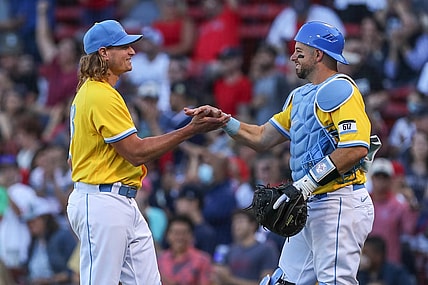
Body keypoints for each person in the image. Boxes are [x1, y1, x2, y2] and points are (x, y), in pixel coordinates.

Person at [187, 21, 376, 285]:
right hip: (309, 202)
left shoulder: (340, 89)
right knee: (283, 282)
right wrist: (225, 121)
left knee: (335, 281)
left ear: (318, 54)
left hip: (338, 201)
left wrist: (305, 185)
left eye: (299, 51)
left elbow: (355, 147)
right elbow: (262, 137)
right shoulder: (299, 97)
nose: (292, 56)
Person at [66, 19, 229, 285]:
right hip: (101, 201)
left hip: (118, 199)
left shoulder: (96, 92)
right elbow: (136, 152)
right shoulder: (99, 94)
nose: (131, 51)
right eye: (123, 46)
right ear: (104, 53)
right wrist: (190, 130)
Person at [212, 209, 279, 285]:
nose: (236, 225)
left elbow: (267, 282)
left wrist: (231, 280)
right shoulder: (231, 250)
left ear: (252, 225)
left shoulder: (266, 249)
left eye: (240, 221)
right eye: (234, 222)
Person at [157, 214, 214, 285]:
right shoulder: (159, 260)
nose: (180, 237)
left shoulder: (202, 260)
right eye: (176, 233)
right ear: (168, 235)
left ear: (191, 235)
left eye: (184, 233)